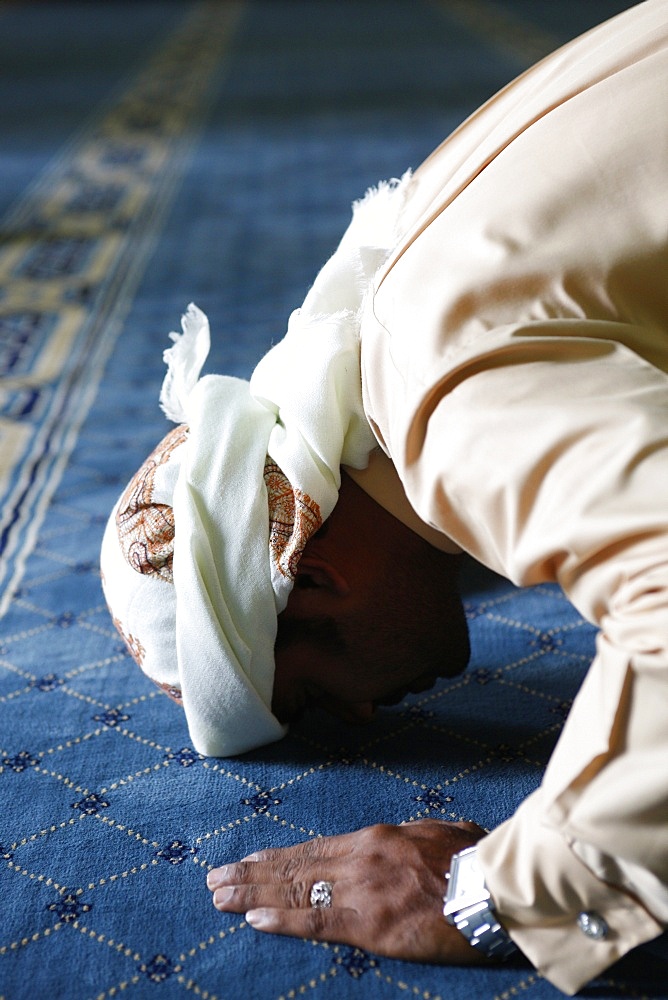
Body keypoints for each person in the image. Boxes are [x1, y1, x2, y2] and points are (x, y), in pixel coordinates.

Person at [101, 0, 668, 993]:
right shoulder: (400, 308)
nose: (365, 715)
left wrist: (504, 893)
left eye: (316, 690)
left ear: (312, 568)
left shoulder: (449, 408)